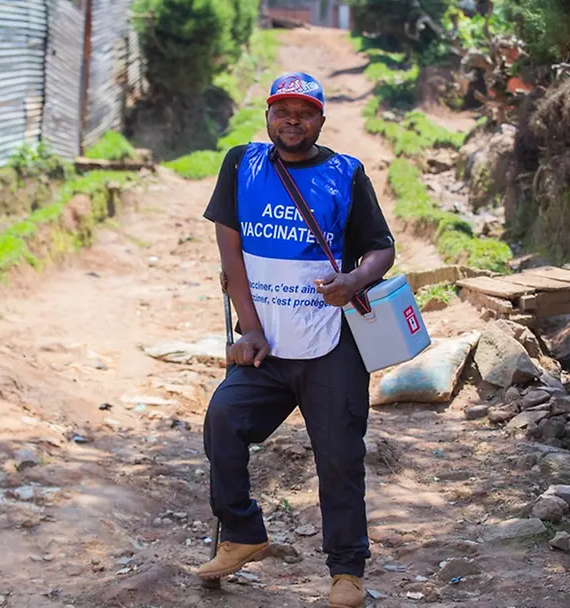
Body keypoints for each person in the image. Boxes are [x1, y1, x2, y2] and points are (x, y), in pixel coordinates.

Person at [198, 71, 396, 608]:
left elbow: (381, 248)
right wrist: (250, 329)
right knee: (223, 420)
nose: (292, 120)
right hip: (266, 347)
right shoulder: (241, 165)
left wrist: (354, 280)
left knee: (339, 458)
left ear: (320, 121)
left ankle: (347, 572)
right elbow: (230, 256)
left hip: (331, 346)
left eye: (304, 111)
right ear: (267, 115)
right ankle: (243, 534)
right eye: (282, 110)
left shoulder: (345, 174)